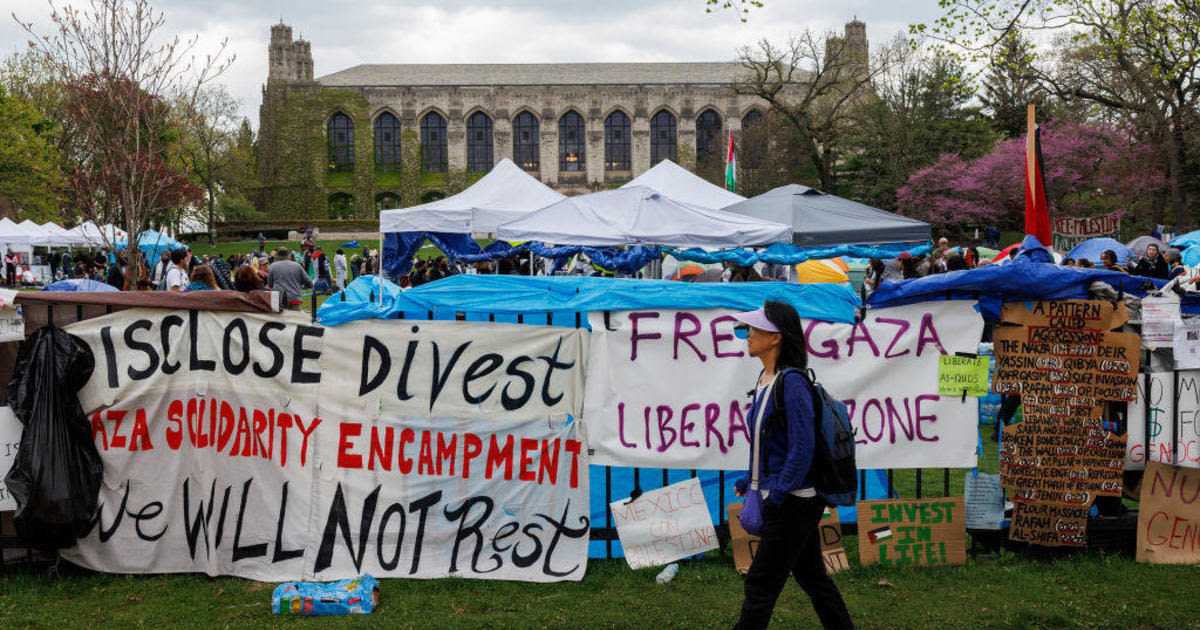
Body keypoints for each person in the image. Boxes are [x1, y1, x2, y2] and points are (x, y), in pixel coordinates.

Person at [730, 301, 855, 630]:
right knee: (813, 577)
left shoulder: (793, 383)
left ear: (776, 338)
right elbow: (768, 441)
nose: (748, 334)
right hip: (783, 496)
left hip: (795, 501)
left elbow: (803, 447)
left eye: (755, 329)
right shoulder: (764, 380)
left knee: (759, 584)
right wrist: (751, 479)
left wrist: (778, 494)